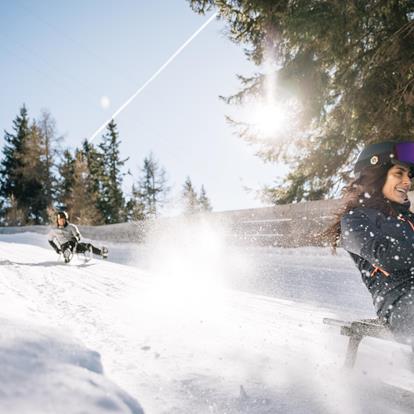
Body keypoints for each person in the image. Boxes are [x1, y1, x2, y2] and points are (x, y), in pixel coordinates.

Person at [326, 141, 414, 344]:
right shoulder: (355, 220)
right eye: (398, 173)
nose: (407, 182)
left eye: (409, 176)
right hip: (399, 300)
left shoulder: (409, 219)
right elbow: (386, 257)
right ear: (377, 174)